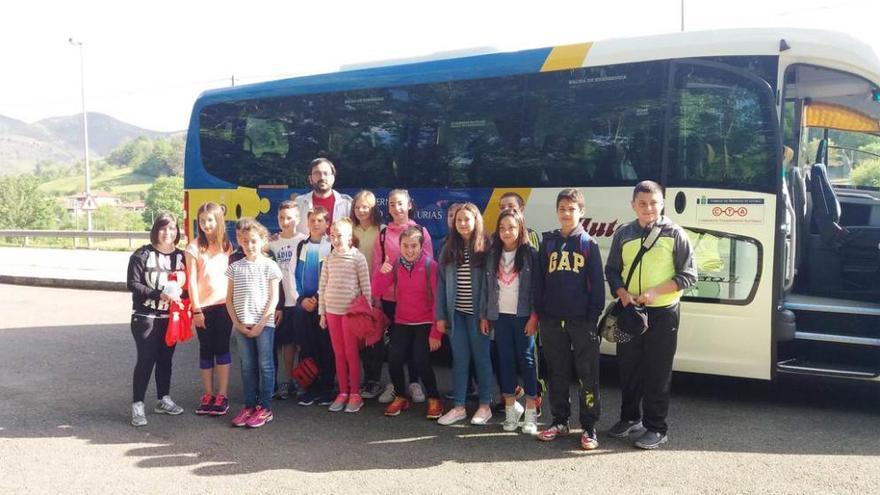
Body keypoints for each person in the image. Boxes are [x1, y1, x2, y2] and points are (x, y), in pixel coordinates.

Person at [604, 180, 696, 450]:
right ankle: (630, 417)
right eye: (642, 203)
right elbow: (612, 271)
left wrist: (656, 292)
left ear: (662, 203)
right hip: (631, 312)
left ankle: (656, 427)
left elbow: (689, 275)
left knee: (658, 372)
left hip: (663, 313)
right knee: (628, 367)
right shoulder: (623, 234)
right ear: (633, 205)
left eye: (653, 202)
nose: (648, 208)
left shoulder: (675, 234)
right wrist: (622, 293)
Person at [535, 188, 605, 450]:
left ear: (581, 212)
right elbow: (539, 282)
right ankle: (560, 420)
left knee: (588, 375)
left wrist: (591, 318)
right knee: (557, 372)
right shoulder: (548, 243)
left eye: (571, 209)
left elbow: (597, 286)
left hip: (581, 322)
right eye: (562, 209)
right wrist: (542, 312)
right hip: (552, 321)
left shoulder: (589, 244)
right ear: (557, 211)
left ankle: (588, 426)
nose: (566, 213)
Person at [372, 226, 443, 419]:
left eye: (414, 246)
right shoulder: (395, 265)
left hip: (425, 322)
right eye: (405, 246)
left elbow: (438, 300)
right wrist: (382, 272)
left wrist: (436, 332)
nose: (409, 250)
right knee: (394, 360)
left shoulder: (431, 266)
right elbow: (376, 289)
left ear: (421, 247)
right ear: (399, 246)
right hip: (402, 321)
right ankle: (401, 396)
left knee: (421, 360)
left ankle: (434, 398)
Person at [371, 189, 434, 404]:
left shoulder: (421, 231)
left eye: (400, 204)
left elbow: (428, 264)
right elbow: (379, 266)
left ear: (409, 205)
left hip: (416, 300)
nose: (396, 208)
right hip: (391, 299)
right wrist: (377, 297)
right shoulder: (383, 234)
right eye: (391, 204)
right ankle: (395, 385)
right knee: (395, 347)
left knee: (417, 348)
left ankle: (415, 383)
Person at [480, 209, 540, 435]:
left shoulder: (530, 254)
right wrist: (485, 315)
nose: (507, 232)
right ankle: (510, 410)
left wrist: (534, 317)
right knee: (505, 361)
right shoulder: (492, 254)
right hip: (500, 316)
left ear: (520, 229)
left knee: (526, 361)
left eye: (512, 227)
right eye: (502, 228)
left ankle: (531, 412)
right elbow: (486, 289)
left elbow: (537, 289)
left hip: (523, 316)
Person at [435, 203, 493, 426]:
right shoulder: (448, 247)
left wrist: (486, 314)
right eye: (458, 220)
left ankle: (485, 405)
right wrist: (441, 315)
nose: (462, 224)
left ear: (476, 220)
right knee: (459, 360)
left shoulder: (486, 247)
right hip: (456, 314)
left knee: (482, 359)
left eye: (467, 219)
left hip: (478, 316)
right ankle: (458, 407)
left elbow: (490, 285)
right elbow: (441, 284)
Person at [127, 212, 187, 427]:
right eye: (163, 228)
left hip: (171, 319)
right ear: (155, 230)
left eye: (172, 228)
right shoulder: (142, 255)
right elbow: (133, 284)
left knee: (165, 359)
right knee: (146, 359)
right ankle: (137, 405)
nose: (167, 233)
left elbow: (188, 288)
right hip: (146, 317)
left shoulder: (182, 257)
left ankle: (163, 399)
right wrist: (157, 295)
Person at [225, 218, 282, 428]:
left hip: (264, 325)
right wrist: (237, 324)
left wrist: (261, 323)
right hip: (242, 324)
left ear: (263, 241)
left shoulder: (270, 266)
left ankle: (265, 408)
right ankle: (249, 406)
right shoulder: (234, 267)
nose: (250, 245)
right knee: (247, 366)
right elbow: (229, 299)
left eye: (254, 241)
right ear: (240, 241)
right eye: (245, 241)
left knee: (265, 365)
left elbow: (273, 298)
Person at [319, 218, 373, 413]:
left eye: (339, 235)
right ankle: (342, 392)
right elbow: (322, 287)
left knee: (351, 354)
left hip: (350, 315)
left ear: (350, 237)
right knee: (339, 354)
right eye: (332, 236)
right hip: (332, 312)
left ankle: (355, 394)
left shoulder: (357, 258)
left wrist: (366, 313)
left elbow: (366, 286)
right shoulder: (329, 258)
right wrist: (322, 313)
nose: (335, 239)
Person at [185, 202, 233, 417]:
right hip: (203, 307)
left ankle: (222, 395)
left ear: (218, 221)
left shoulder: (226, 245)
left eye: (210, 220)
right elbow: (192, 281)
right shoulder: (193, 247)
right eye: (202, 221)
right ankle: (208, 394)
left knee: (222, 348)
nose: (206, 225)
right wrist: (196, 310)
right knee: (206, 350)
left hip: (224, 306)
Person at [293, 207, 335, 406]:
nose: (316, 224)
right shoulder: (301, 246)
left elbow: (331, 277)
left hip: (323, 305)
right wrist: (301, 299)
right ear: (307, 223)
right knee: (307, 346)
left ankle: (327, 388)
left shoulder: (331, 246)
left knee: (325, 346)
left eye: (320, 220)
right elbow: (292, 275)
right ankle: (310, 387)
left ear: (327, 224)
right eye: (313, 220)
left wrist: (318, 299)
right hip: (304, 307)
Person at [268, 200, 308, 400]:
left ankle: (302, 379)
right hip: (280, 303)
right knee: (285, 343)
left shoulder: (305, 240)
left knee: (301, 343)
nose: (286, 222)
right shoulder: (272, 243)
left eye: (290, 218)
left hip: (300, 301)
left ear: (298, 219)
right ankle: (287, 378)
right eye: (282, 218)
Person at [350, 190, 385, 400]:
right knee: (359, 335)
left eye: (366, 207)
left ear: (374, 209)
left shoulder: (382, 230)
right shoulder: (350, 230)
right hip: (353, 292)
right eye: (358, 207)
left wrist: (377, 293)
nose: (361, 211)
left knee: (376, 337)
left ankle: (374, 380)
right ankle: (364, 378)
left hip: (374, 291)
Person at [294, 158, 352, 235]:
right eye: (317, 173)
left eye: (326, 173)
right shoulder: (298, 203)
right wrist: (276, 237)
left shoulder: (347, 204)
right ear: (310, 179)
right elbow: (288, 229)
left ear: (333, 178)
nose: (322, 177)